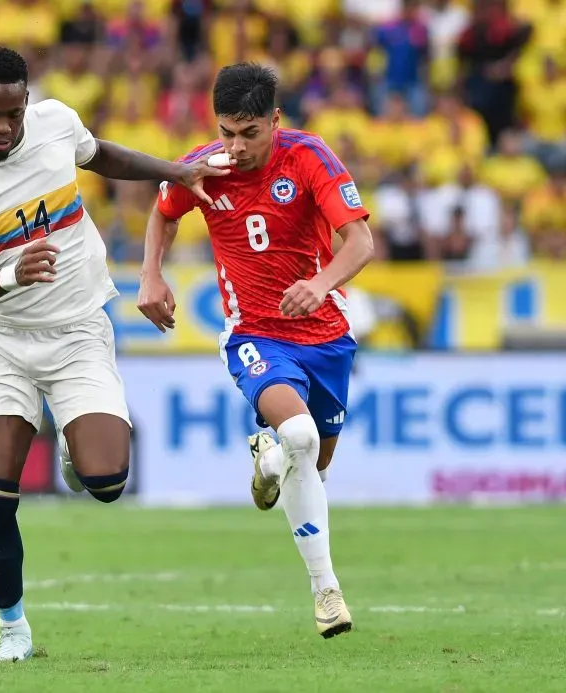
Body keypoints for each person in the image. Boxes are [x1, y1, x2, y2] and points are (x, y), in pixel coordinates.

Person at [0, 46, 224, 662]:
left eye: (15, 112)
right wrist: (10, 276)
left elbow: (101, 154)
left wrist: (173, 170)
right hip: (1, 338)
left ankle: (73, 446)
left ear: (28, 101)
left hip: (79, 330)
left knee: (109, 481)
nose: (5, 127)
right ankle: (13, 630)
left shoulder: (56, 121)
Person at [138, 63, 375, 639]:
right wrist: (151, 276)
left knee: (312, 463)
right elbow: (163, 213)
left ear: (275, 120)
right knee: (301, 438)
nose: (236, 147)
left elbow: (361, 241)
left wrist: (319, 286)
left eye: (250, 133)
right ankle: (326, 592)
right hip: (255, 335)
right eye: (226, 132)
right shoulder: (203, 166)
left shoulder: (310, 157)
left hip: (326, 336)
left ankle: (268, 459)